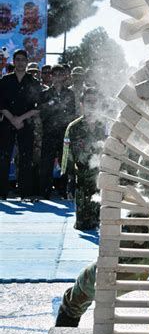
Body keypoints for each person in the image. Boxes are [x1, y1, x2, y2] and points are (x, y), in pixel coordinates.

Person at [61, 87, 107, 230]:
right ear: (81, 103)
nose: (92, 105)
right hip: (82, 183)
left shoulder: (107, 125)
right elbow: (67, 156)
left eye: (95, 101)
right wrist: (68, 181)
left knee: (105, 226)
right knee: (83, 225)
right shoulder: (73, 127)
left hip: (104, 182)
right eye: (88, 101)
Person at [0, 49, 41, 200]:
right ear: (13, 61)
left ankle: (25, 193)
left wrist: (21, 119)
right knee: (3, 158)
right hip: (7, 122)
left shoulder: (34, 82)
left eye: (23, 59)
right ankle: (2, 193)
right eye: (17, 59)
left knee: (26, 159)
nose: (20, 62)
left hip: (26, 124)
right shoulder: (5, 80)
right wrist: (12, 119)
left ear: (27, 61)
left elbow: (37, 107)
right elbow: (1, 103)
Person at [39, 64, 76, 199]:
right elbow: (42, 113)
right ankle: (45, 192)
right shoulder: (45, 94)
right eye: (55, 74)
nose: (58, 77)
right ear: (51, 76)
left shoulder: (69, 93)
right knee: (46, 163)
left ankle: (63, 191)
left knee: (64, 163)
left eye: (60, 74)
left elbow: (72, 113)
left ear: (65, 76)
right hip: (49, 131)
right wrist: (53, 106)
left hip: (64, 133)